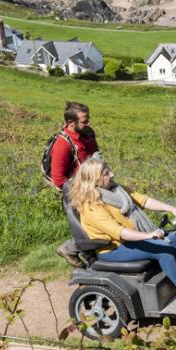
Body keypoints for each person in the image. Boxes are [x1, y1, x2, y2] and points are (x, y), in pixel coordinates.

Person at [68, 158, 176, 306]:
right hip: (113, 248)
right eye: (107, 173)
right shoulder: (91, 205)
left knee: (173, 238)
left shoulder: (117, 190)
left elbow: (143, 200)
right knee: (163, 249)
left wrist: (173, 209)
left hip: (129, 241)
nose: (112, 174)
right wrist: (148, 235)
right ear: (94, 179)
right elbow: (118, 232)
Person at [51, 102, 100, 267]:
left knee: (100, 227)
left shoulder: (88, 134)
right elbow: (58, 179)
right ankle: (72, 252)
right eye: (84, 121)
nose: (88, 124)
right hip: (78, 194)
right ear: (71, 123)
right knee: (91, 231)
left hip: (96, 188)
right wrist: (83, 191)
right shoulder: (63, 144)